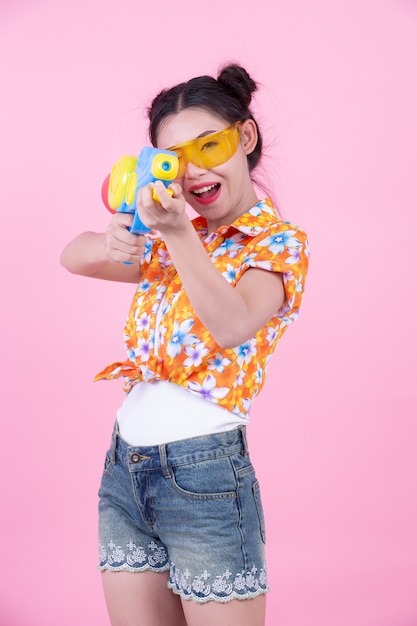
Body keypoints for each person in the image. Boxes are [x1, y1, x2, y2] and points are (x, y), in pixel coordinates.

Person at [60, 63, 309, 626]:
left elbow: (234, 324)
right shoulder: (178, 235)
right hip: (125, 468)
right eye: (177, 159)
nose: (196, 170)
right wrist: (116, 235)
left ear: (245, 138)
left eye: (210, 145)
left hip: (206, 480)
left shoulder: (278, 244)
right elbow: (72, 256)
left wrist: (174, 235)